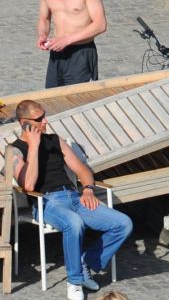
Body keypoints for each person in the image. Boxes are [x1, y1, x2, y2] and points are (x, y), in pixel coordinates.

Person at [8, 99, 132, 300]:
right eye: (39, 118)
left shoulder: (55, 141)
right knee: (74, 224)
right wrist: (34, 146)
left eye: (44, 115)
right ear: (24, 123)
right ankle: (74, 282)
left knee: (123, 223)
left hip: (75, 197)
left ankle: (87, 261)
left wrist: (88, 189)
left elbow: (82, 170)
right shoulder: (15, 150)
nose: (45, 121)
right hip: (46, 202)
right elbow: (28, 185)